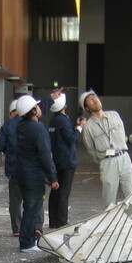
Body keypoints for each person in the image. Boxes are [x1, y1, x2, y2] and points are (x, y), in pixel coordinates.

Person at [13, 95, 59, 252]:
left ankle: (28, 240)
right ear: (33, 110)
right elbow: (46, 156)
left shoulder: (20, 126)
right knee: (32, 210)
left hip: (22, 174)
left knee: (28, 207)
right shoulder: (38, 129)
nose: (40, 108)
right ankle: (27, 243)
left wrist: (50, 99)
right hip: (34, 176)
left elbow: (37, 112)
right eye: (37, 106)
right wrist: (53, 177)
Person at [79, 89, 132, 209]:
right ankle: (111, 226)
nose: (94, 99)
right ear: (87, 108)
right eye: (89, 99)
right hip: (107, 161)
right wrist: (103, 161)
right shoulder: (89, 127)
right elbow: (90, 149)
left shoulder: (114, 115)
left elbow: (123, 134)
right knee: (109, 199)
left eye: (95, 97)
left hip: (124, 157)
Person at [0, 98, 40, 237]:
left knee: (15, 201)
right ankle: (37, 226)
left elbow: (0, 145)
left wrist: (10, 151)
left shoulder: (7, 126)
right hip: (31, 169)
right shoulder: (32, 124)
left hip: (14, 169)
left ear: (11, 112)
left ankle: (17, 228)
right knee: (35, 199)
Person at [46, 90, 82, 228]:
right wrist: (79, 128)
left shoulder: (53, 121)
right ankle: (62, 221)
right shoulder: (63, 121)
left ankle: (53, 221)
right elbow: (71, 138)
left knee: (55, 192)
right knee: (64, 193)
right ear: (64, 106)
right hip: (67, 161)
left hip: (56, 160)